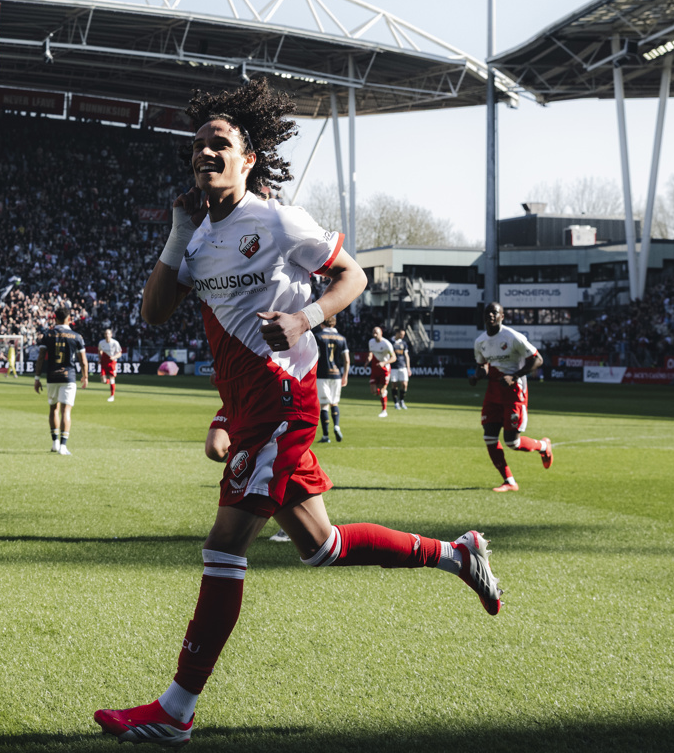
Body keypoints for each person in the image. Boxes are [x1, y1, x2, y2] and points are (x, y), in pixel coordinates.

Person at [94, 79, 503, 747]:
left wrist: (306, 315)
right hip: (250, 406)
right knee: (321, 547)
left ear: (248, 157)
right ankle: (455, 555)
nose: (205, 152)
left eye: (218, 143)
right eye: (197, 145)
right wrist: (175, 233)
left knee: (223, 549)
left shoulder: (276, 220)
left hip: (284, 402)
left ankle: (174, 711)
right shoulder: (196, 240)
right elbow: (153, 312)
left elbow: (352, 276)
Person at [470, 302, 553, 491]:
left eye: (495, 312)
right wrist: (477, 376)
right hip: (493, 393)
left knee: (512, 442)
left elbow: (537, 359)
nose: (491, 315)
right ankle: (509, 481)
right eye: (488, 313)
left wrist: (514, 376)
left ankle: (543, 446)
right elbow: (482, 364)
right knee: (489, 437)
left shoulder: (513, 337)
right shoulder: (480, 341)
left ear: (502, 316)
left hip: (514, 393)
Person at [34, 306, 88, 454]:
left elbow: (40, 358)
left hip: (52, 376)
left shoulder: (48, 335)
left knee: (53, 409)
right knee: (66, 410)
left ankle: (55, 443)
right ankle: (63, 446)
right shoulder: (77, 337)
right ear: (69, 319)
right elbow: (83, 360)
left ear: (54, 318)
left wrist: (37, 378)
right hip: (68, 377)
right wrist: (85, 376)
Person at [316, 315, 349, 442]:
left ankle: (325, 436)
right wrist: (345, 375)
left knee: (324, 405)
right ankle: (336, 426)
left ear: (322, 324)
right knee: (334, 402)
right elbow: (346, 359)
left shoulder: (318, 337)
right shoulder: (342, 338)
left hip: (322, 374)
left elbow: (315, 357)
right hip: (336, 374)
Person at [366, 326, 396, 418]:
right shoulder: (371, 342)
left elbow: (394, 358)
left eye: (376, 333)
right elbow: (371, 352)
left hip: (385, 370)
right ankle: (383, 393)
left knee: (382, 390)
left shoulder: (387, 344)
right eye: (373, 332)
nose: (374, 334)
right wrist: (368, 359)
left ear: (381, 333)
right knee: (373, 391)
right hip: (375, 369)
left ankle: (384, 411)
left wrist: (384, 362)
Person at [98, 328, 123, 402]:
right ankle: (107, 381)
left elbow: (120, 353)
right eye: (106, 333)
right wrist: (100, 359)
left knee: (112, 378)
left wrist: (114, 357)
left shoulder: (115, 343)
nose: (107, 335)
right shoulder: (101, 343)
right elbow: (99, 350)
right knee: (103, 380)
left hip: (112, 363)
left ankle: (112, 396)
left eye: (108, 333)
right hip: (104, 362)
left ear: (111, 335)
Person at [391, 327, 412, 410]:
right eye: (401, 334)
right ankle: (396, 402)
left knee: (404, 384)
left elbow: (406, 356)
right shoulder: (390, 342)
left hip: (402, 366)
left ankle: (401, 400)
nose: (403, 336)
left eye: (404, 334)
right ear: (397, 333)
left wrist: (408, 368)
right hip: (393, 367)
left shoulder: (404, 343)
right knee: (394, 385)